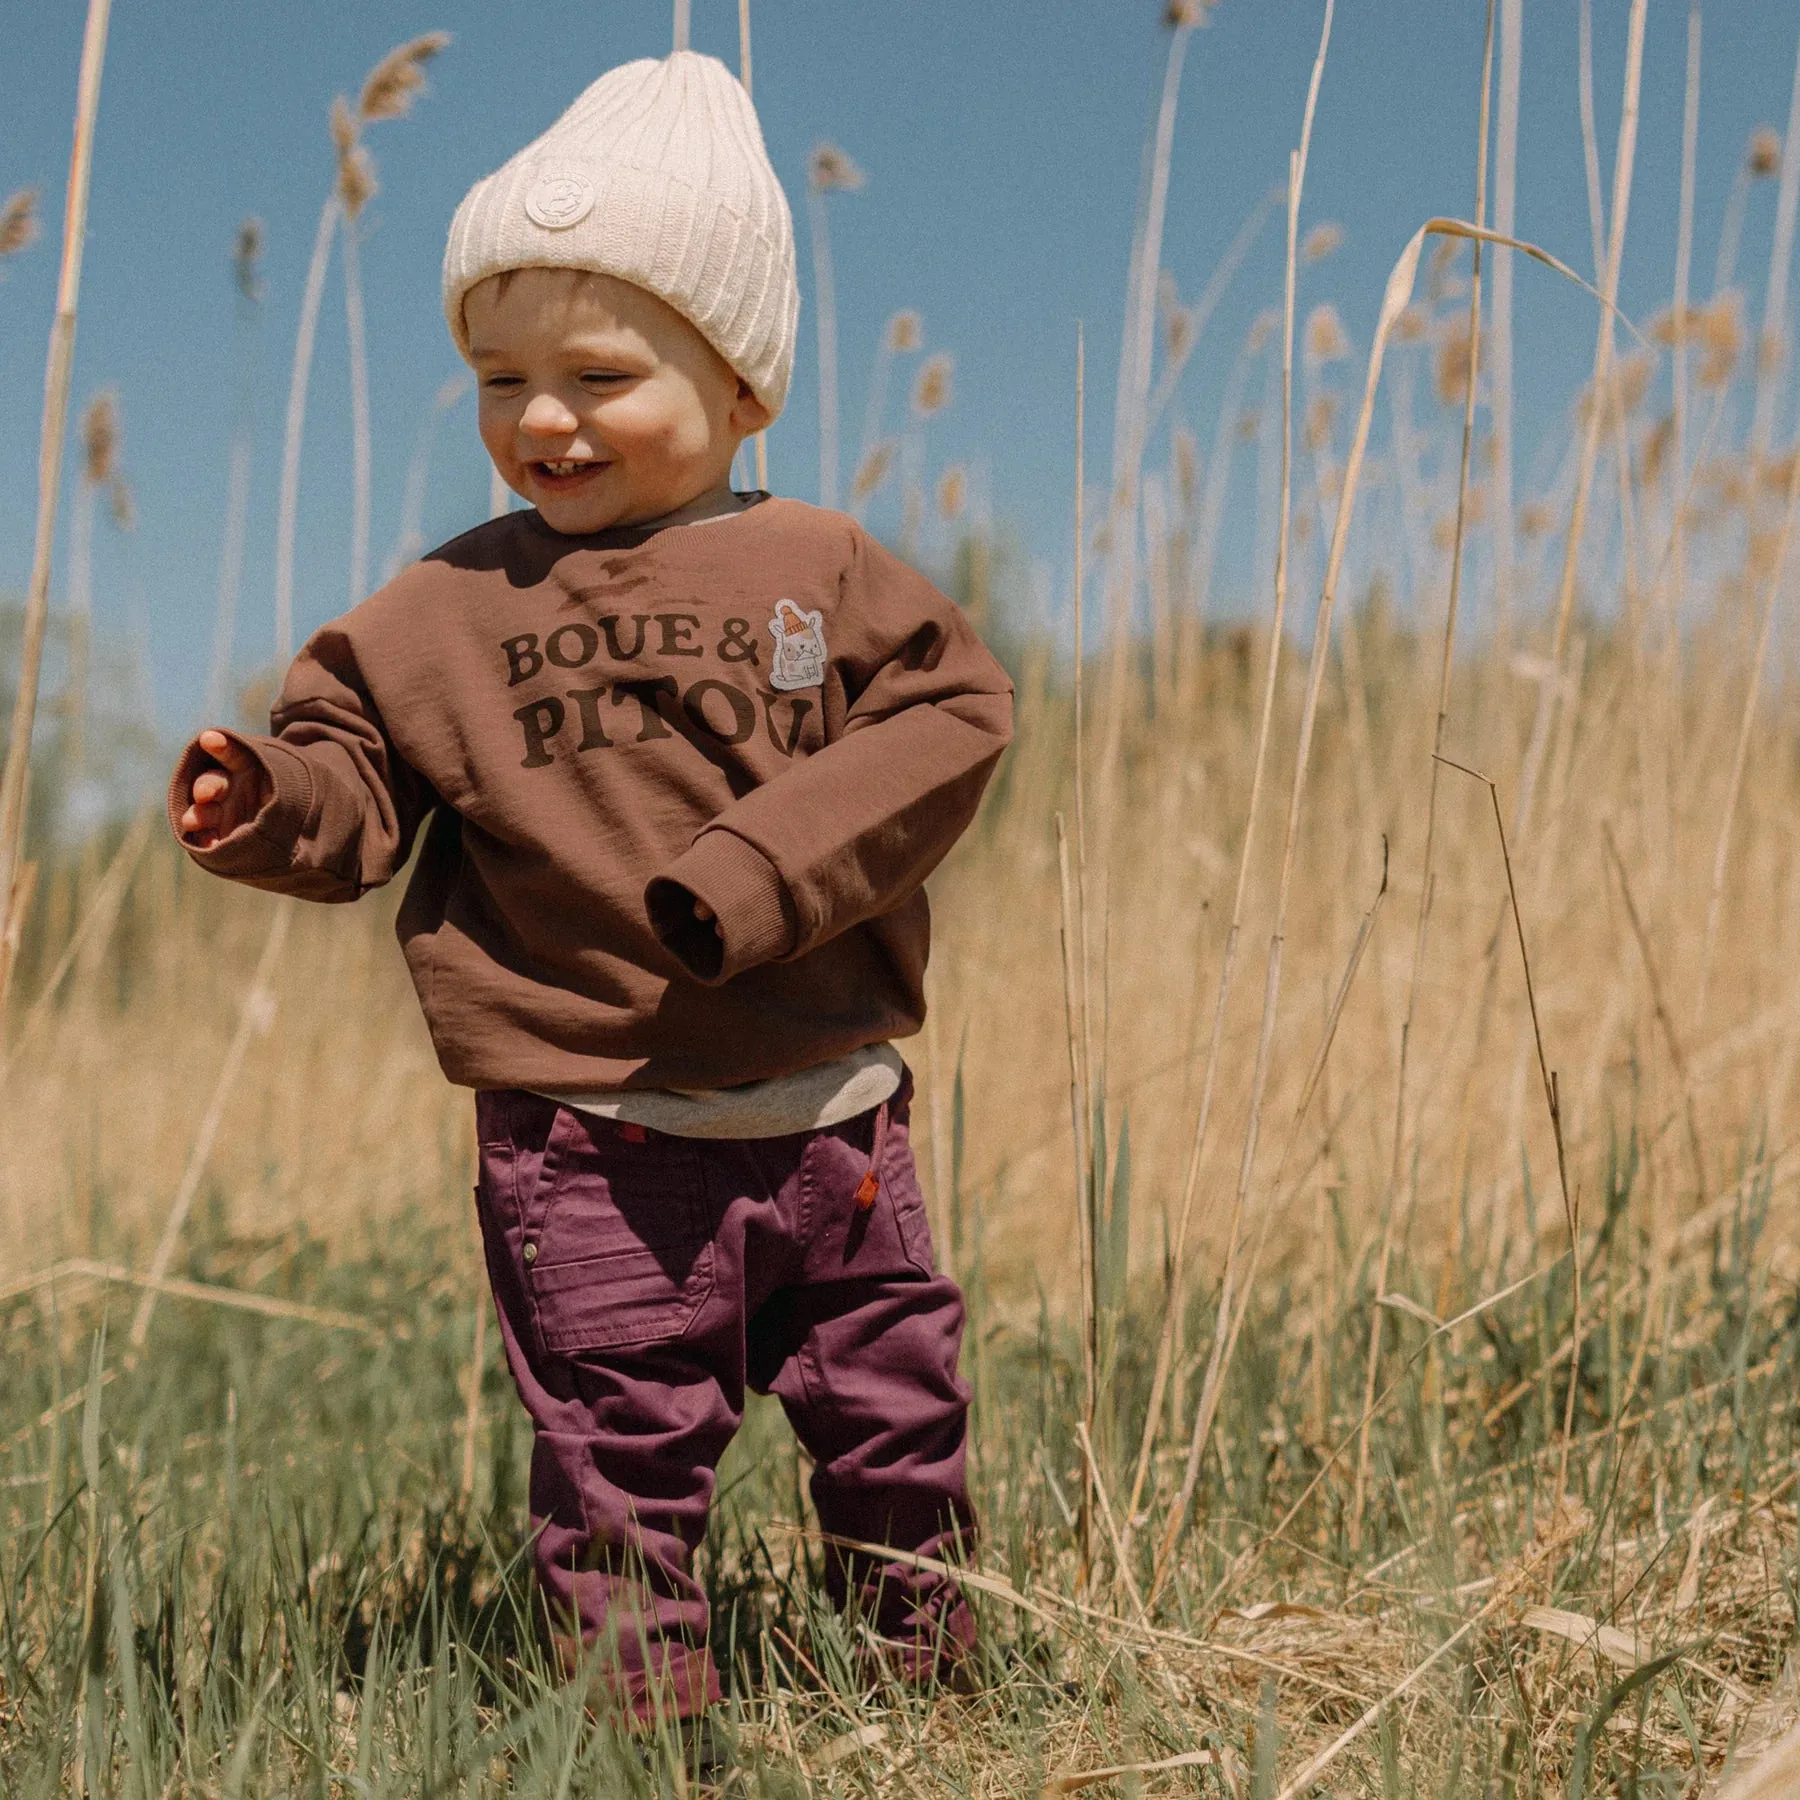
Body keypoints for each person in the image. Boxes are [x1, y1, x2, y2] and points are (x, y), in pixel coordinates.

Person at [170, 48, 1013, 1739]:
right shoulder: (439, 612)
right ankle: (644, 1741)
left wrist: (761, 871)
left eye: (598, 373)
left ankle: (932, 1701)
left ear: (741, 383)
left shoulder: (821, 570)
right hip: (590, 1138)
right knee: (618, 1454)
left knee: (896, 1420)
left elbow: (949, 718)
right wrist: (271, 802)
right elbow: (354, 774)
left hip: (836, 1119)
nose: (542, 419)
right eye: (500, 378)